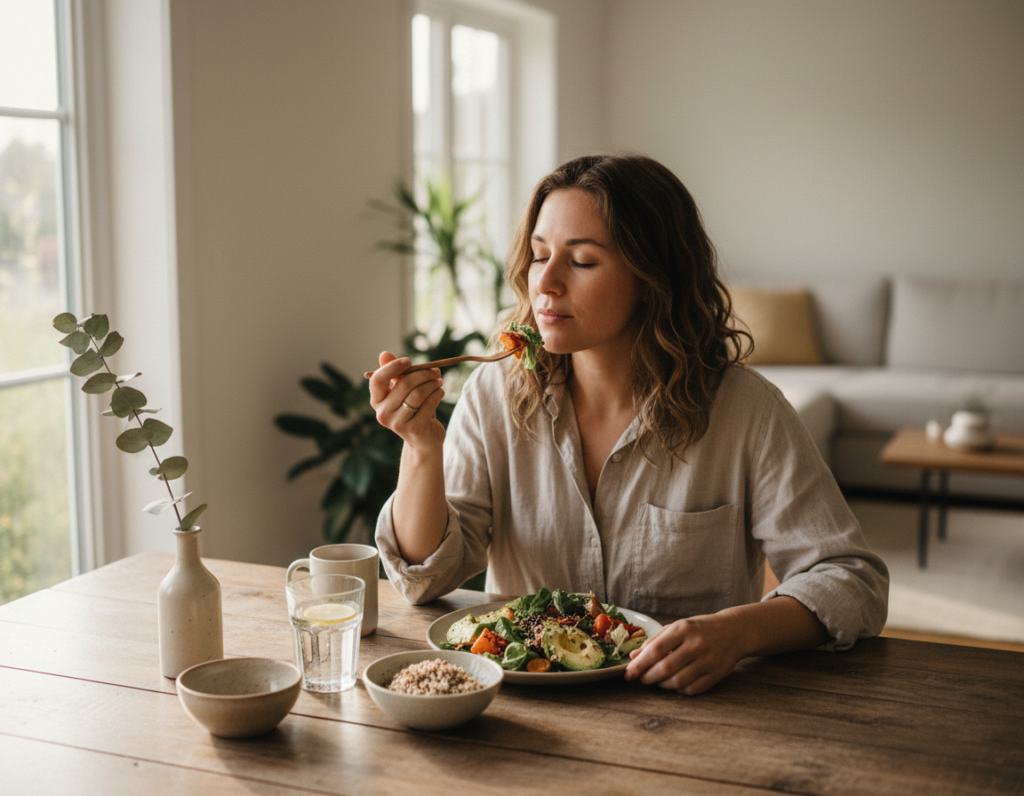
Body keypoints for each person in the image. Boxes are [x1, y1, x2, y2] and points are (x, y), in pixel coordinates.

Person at [368, 154, 888, 695]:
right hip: (522, 717)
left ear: (651, 276)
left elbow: (853, 580)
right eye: (539, 255)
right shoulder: (492, 397)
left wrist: (739, 633)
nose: (545, 283)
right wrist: (422, 446)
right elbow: (425, 578)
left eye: (584, 261)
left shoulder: (745, 412)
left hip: (688, 711)